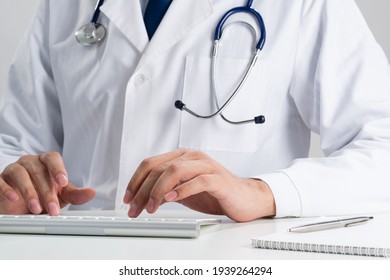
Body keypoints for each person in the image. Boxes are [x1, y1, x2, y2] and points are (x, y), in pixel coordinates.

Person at [0, 0, 390, 222]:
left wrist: (263, 193)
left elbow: (382, 148)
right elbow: (15, 145)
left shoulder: (306, 5)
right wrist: (14, 188)